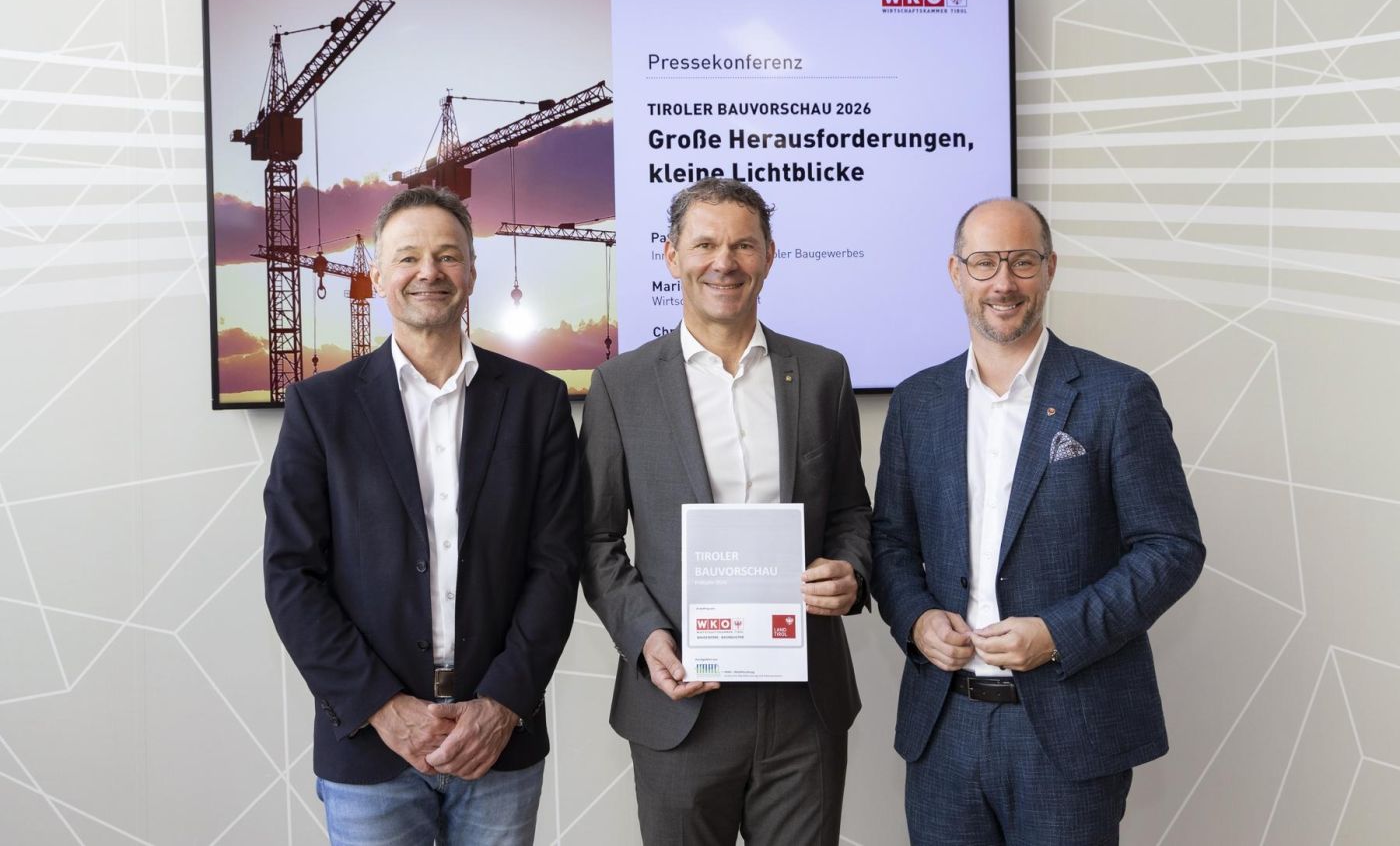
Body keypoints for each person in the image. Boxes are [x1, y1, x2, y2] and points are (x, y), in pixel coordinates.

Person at [871, 197, 1205, 845]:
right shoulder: (917, 402)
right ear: (956, 272)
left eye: (1022, 261)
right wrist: (915, 618)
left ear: (1050, 268)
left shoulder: (1117, 395)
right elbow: (889, 540)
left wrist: (1056, 633)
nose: (1003, 282)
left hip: (1068, 726)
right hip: (943, 727)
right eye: (984, 263)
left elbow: (1170, 547)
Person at [263, 186, 581, 845]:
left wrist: (502, 703)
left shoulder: (538, 403)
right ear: (378, 274)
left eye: (447, 255)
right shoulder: (320, 409)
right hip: (369, 746)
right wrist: (381, 707)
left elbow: (556, 565)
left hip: (498, 741)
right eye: (407, 257)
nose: (428, 272)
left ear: (471, 271)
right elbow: (291, 575)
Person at [579, 177, 871, 845]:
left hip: (803, 702)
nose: (725, 262)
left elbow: (851, 510)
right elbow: (595, 538)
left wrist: (850, 572)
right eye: (705, 244)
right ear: (671, 256)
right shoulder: (621, 385)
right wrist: (646, 637)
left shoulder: (822, 373)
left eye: (743, 245)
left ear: (769, 255)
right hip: (682, 699)